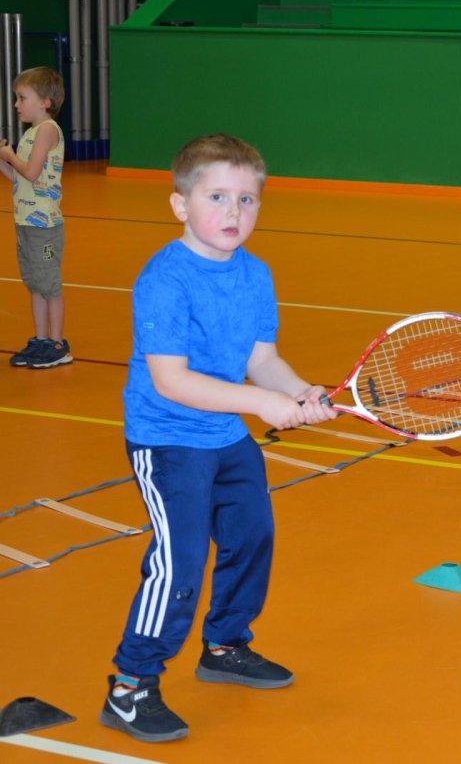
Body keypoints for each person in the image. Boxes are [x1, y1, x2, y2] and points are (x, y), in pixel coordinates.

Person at [101, 134, 338, 743]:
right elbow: (172, 380)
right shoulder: (164, 280)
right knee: (179, 560)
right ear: (180, 205)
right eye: (217, 197)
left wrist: (300, 391)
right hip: (167, 439)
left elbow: (262, 359)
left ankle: (225, 645)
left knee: (251, 536)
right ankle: (130, 685)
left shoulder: (254, 274)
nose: (234, 212)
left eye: (247, 200)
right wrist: (262, 404)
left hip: (226, 434)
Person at [0, 66, 71, 368]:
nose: (17, 104)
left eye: (22, 97)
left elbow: (29, 171)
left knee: (49, 284)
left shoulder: (47, 131)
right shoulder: (31, 133)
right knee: (35, 283)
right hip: (27, 224)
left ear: (45, 102)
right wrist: (3, 162)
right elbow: (21, 179)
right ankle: (41, 340)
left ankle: (57, 344)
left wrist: (10, 156)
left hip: (45, 228)